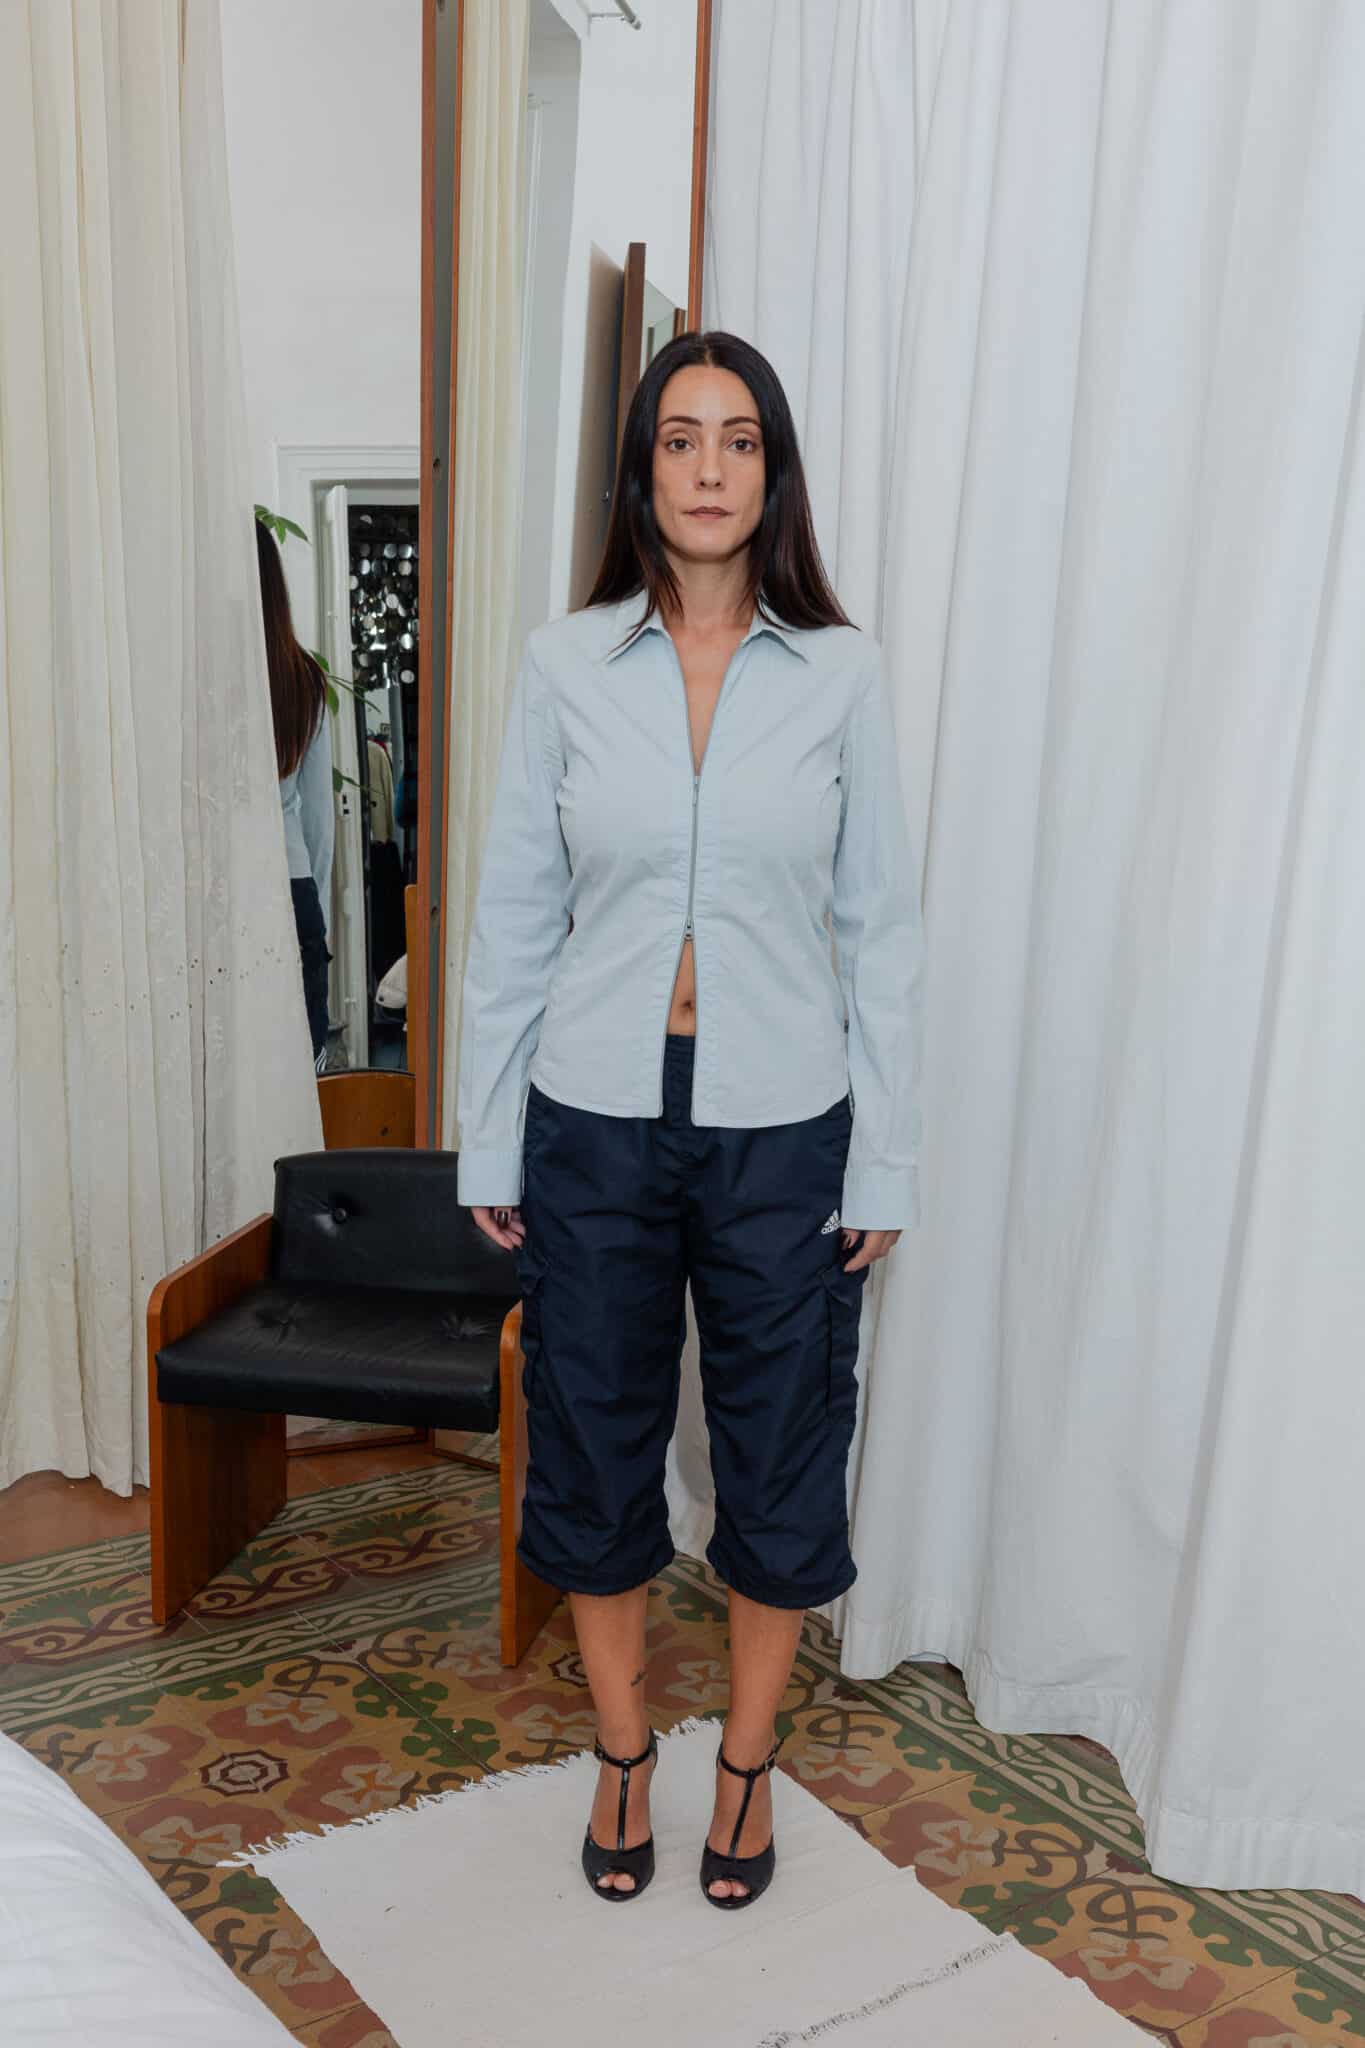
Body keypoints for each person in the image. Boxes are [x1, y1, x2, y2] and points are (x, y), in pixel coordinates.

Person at [456, 330, 926, 1909]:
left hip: (786, 1120)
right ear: (641, 469)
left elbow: (884, 934)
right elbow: (514, 910)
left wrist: (887, 1158)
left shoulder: (841, 674)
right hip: (591, 1112)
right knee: (591, 1438)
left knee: (782, 1446)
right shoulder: (563, 664)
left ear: (772, 473)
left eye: (737, 441)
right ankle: (620, 1753)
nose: (708, 468)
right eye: (679, 439)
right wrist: (491, 1134)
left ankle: (743, 1768)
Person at [256, 518, 334, 1068]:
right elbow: (318, 823)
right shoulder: (302, 678)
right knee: (299, 1076)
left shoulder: (195, 678)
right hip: (292, 885)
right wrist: (316, 909)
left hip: (222, 896)